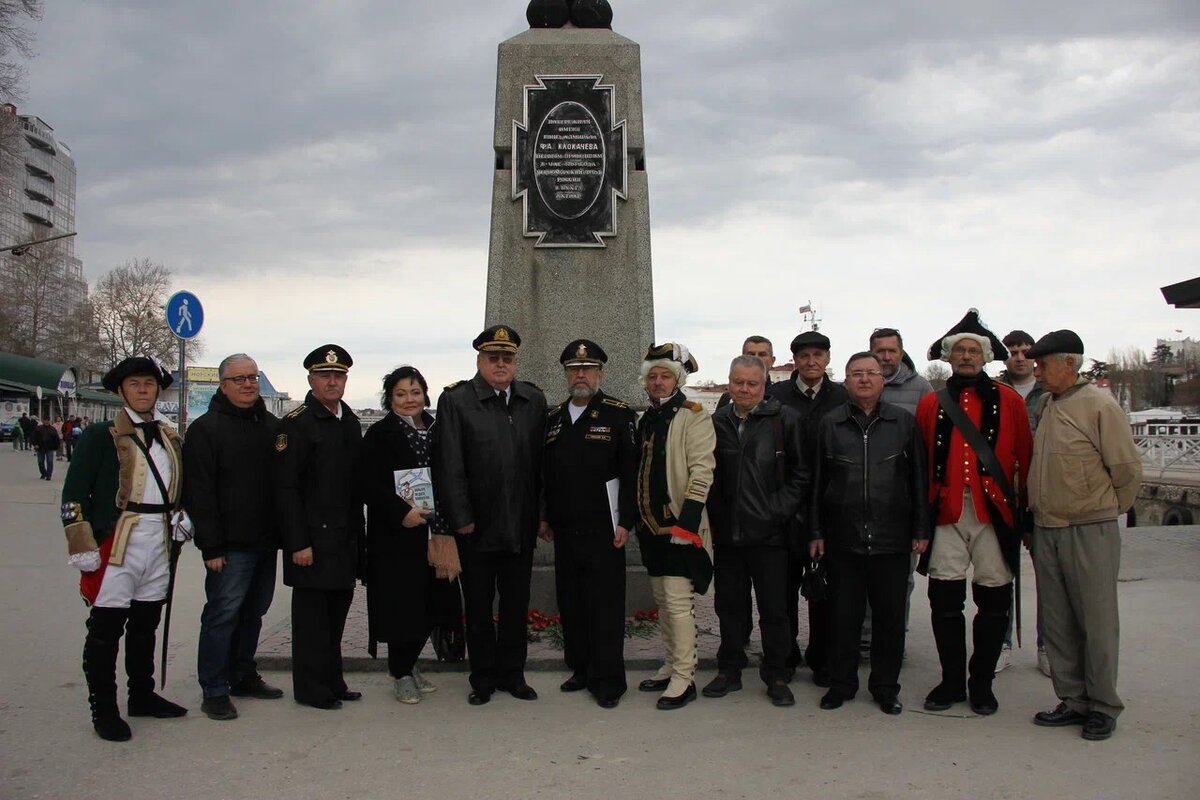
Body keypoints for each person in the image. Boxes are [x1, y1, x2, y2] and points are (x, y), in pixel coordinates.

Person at [61, 356, 188, 741]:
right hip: (119, 539)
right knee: (106, 629)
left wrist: (182, 514)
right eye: (135, 384)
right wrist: (82, 542)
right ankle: (104, 709)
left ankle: (143, 695)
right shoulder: (100, 436)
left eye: (150, 384)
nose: (144, 390)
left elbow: (175, 486)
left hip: (159, 538)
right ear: (121, 390)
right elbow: (73, 496)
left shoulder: (168, 436)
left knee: (146, 623)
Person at [915, 310, 1032, 716]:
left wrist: (1027, 512)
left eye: (973, 350)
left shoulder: (1010, 401)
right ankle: (951, 681)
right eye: (960, 349)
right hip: (947, 510)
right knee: (944, 600)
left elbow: (1024, 459)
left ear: (984, 357)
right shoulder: (931, 404)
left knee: (994, 600)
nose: (966, 356)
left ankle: (982, 682)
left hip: (993, 512)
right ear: (949, 356)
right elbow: (922, 462)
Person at [1027, 330, 1142, 742]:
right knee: (1057, 621)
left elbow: (1126, 471)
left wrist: (1103, 509)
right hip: (1048, 528)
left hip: (1089, 529)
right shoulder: (1046, 403)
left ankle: (1104, 705)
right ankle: (1073, 699)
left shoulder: (1099, 405)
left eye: (1043, 364)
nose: (1036, 371)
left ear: (1069, 364)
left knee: (1096, 621)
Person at [433, 325, 547, 706]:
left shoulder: (533, 399)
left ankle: (514, 675)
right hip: (477, 527)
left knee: (515, 606)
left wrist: (542, 515)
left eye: (508, 358)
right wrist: (461, 516)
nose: (501, 364)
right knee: (479, 608)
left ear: (516, 362)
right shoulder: (457, 400)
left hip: (520, 524)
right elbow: (449, 463)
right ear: (479, 360)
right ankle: (482, 678)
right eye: (493, 357)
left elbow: (542, 467)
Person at [810, 352, 929, 714]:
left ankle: (885, 687)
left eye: (871, 373)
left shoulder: (903, 423)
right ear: (845, 380)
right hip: (842, 536)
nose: (864, 379)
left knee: (889, 619)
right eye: (856, 373)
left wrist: (921, 528)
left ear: (882, 380)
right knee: (843, 617)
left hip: (892, 538)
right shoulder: (830, 424)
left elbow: (918, 481)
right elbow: (817, 483)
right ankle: (842, 683)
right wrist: (815, 530)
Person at [185, 353, 283, 721]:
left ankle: (242, 674)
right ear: (223, 385)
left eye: (252, 377)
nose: (247, 384)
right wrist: (210, 545)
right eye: (239, 379)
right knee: (222, 614)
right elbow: (199, 492)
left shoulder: (272, 427)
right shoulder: (206, 429)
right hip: (228, 547)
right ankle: (213, 688)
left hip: (264, 542)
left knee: (254, 613)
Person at [705, 354, 807, 707]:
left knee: (775, 609)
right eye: (738, 382)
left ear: (764, 386)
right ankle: (729, 670)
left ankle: (777, 673)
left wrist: (774, 512)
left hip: (771, 535)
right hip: (729, 535)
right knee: (729, 606)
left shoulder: (785, 420)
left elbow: (800, 475)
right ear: (729, 382)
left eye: (752, 383)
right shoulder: (716, 422)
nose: (744, 389)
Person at [541, 339, 638, 709]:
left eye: (587, 369)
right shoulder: (554, 420)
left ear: (600, 374)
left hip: (606, 529)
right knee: (572, 603)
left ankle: (609, 680)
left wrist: (627, 522)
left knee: (605, 606)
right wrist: (546, 516)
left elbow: (630, 473)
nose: (580, 375)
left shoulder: (618, 415)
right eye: (573, 369)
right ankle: (580, 669)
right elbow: (546, 476)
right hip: (566, 530)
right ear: (565, 374)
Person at [275, 344, 365, 710]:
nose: (332, 381)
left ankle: (332, 679)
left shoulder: (351, 421)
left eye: (339, 375)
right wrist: (297, 542)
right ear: (311, 379)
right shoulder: (296, 425)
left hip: (343, 538)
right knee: (312, 620)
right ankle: (311, 689)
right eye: (325, 375)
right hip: (311, 541)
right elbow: (286, 489)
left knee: (336, 615)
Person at [361, 365, 455, 704]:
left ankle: (410, 663)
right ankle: (399, 671)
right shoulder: (380, 434)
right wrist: (403, 513)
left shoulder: (436, 429)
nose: (409, 400)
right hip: (397, 535)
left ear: (425, 395)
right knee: (403, 604)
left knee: (432, 602)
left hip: (435, 531)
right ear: (390, 398)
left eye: (415, 393)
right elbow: (370, 484)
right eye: (401, 394)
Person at [634, 342, 716, 710]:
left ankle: (685, 676)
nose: (658, 381)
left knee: (679, 603)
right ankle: (671, 663)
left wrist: (689, 522)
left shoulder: (693, 414)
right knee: (663, 602)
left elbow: (702, 470)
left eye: (665, 375)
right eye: (652, 376)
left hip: (679, 525)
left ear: (677, 379)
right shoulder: (646, 418)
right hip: (650, 526)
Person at [767, 330, 848, 686]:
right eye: (804, 356)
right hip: (785, 504)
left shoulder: (842, 396)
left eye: (818, 355)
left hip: (830, 503)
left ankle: (822, 658)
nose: (811, 362)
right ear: (795, 360)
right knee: (781, 590)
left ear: (827, 358)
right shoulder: (777, 395)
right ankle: (784, 657)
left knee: (824, 590)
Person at [996, 329, 1049, 675]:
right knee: (1000, 571)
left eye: (1025, 351)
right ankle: (1002, 642)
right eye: (1013, 351)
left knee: (1048, 574)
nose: (1019, 357)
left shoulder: (1050, 392)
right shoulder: (995, 392)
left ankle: (1048, 644)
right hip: (1004, 489)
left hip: (1042, 490)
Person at [870, 327, 933, 414]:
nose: (887, 357)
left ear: (901, 354)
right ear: (870, 354)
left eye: (892, 351)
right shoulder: (855, 386)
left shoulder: (922, 388)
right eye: (880, 351)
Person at [716, 335, 777, 409]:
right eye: (751, 354)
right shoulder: (727, 399)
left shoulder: (783, 397)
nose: (756, 358)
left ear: (772, 360)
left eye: (762, 354)